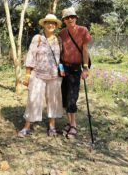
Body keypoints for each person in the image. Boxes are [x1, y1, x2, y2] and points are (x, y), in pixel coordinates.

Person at [18, 14, 64, 137]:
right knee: (33, 100)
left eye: (53, 23)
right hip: (38, 75)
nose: (51, 25)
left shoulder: (58, 40)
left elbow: (61, 58)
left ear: (56, 25)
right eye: (48, 22)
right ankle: (27, 127)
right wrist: (27, 75)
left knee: (53, 101)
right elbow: (30, 56)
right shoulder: (37, 38)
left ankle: (52, 126)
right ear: (44, 24)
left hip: (54, 76)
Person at [59, 7, 92, 139]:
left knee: (72, 97)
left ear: (76, 18)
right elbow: (60, 51)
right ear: (64, 20)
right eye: (67, 17)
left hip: (75, 69)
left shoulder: (83, 30)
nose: (70, 19)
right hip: (63, 68)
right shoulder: (61, 33)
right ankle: (69, 122)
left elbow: (84, 50)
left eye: (72, 16)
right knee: (65, 97)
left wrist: (85, 68)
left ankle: (74, 125)